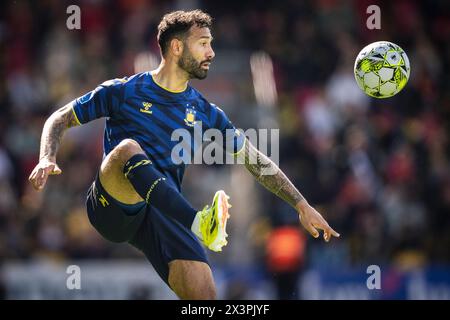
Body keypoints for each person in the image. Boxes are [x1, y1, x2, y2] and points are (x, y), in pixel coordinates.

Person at [28, 9, 339, 300]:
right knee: (127, 149)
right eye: (203, 44)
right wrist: (47, 156)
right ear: (176, 47)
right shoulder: (123, 91)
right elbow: (60, 118)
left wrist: (301, 204)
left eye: (211, 44)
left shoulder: (205, 112)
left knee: (204, 298)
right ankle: (199, 223)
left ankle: (196, 225)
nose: (211, 52)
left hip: (164, 210)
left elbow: (254, 158)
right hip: (114, 205)